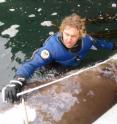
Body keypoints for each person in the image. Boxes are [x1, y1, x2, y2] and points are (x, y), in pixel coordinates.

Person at [2, 13, 117, 103]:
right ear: (62, 31)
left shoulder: (87, 41)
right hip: (54, 65)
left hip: (73, 64)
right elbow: (30, 64)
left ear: (80, 35)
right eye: (66, 34)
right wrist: (17, 81)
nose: (68, 39)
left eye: (73, 36)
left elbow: (101, 44)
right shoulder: (51, 48)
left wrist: (114, 46)